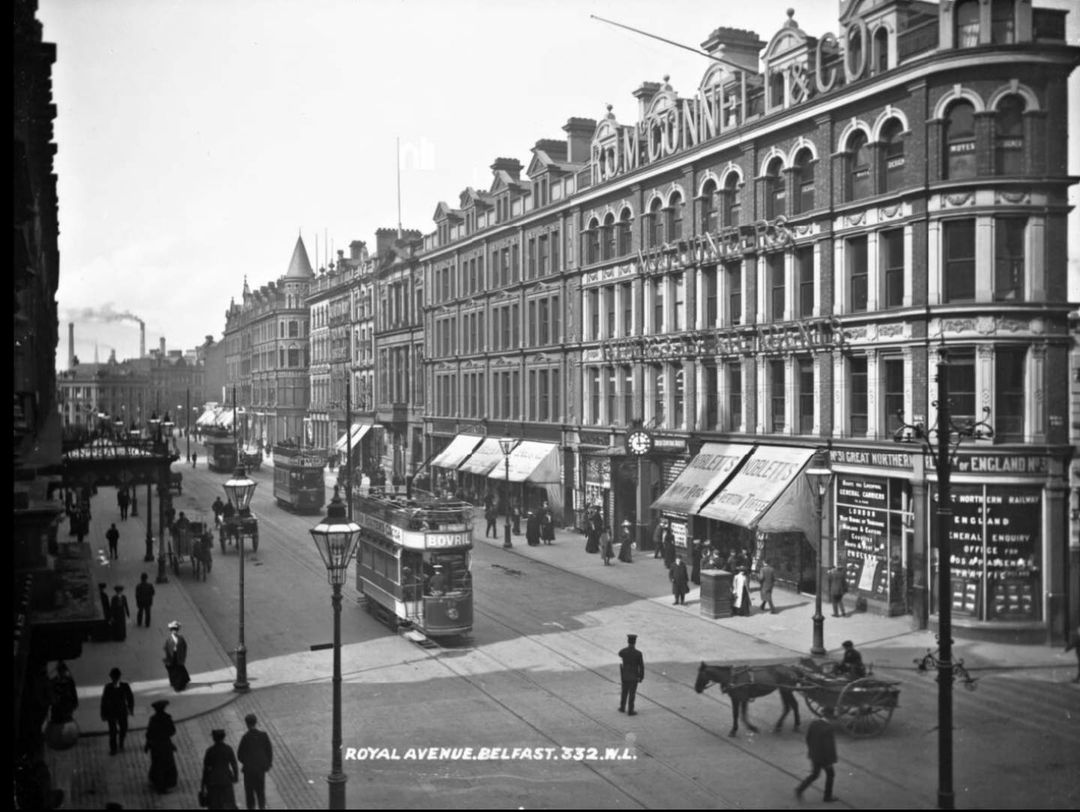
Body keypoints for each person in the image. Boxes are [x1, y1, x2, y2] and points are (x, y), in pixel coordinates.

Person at [795, 706, 839, 802]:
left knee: (815, 774)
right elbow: (829, 747)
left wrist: (812, 750)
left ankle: (800, 789)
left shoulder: (814, 724)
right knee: (830, 774)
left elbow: (808, 738)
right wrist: (830, 761)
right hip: (824, 758)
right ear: (830, 717)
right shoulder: (829, 728)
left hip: (814, 755)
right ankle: (827, 796)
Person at [237, 713, 273, 810]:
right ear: (256, 722)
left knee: (249, 794)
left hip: (249, 771)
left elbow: (239, 755)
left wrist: (247, 762)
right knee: (260, 792)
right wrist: (267, 764)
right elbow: (269, 751)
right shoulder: (263, 735)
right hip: (260, 770)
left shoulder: (245, 737)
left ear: (246, 724)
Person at [145, 699, 178, 794]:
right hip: (165, 745)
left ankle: (157, 783)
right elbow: (172, 731)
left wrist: (149, 743)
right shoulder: (167, 718)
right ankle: (166, 784)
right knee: (167, 764)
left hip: (155, 746)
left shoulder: (153, 719)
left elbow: (149, 734)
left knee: (157, 764)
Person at [100, 667, 134, 755]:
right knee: (112, 731)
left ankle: (121, 742)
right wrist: (103, 714)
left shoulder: (125, 686)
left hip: (122, 711)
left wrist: (130, 709)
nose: (114, 679)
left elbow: (130, 698)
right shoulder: (108, 687)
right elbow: (104, 701)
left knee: (124, 728)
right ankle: (113, 748)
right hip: (112, 712)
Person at [202, 729, 239, 810]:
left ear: (214, 739)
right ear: (223, 738)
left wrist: (203, 784)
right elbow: (234, 764)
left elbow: (206, 768)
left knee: (215, 804)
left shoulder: (210, 751)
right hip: (226, 779)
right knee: (229, 802)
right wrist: (236, 777)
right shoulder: (228, 749)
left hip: (213, 781)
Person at [617, 634, 645, 715]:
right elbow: (641, 666)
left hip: (625, 675)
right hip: (634, 676)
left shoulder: (624, 652)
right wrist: (641, 677)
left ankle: (622, 707)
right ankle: (630, 710)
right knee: (632, 694)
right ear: (635, 642)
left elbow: (619, 653)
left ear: (628, 641)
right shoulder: (638, 654)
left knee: (624, 692)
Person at [164, 621, 190, 691]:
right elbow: (166, 648)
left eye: (175, 630)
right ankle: (175, 683)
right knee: (173, 671)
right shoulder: (169, 640)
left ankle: (180, 685)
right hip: (172, 657)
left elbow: (184, 647)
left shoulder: (181, 638)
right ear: (171, 631)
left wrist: (183, 657)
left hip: (179, 656)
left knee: (179, 670)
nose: (174, 632)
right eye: (173, 630)